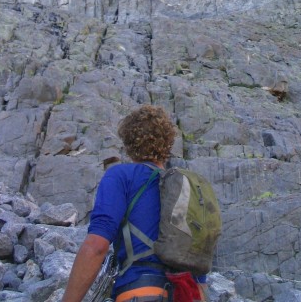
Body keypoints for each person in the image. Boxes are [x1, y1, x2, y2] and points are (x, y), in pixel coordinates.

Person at [61, 105, 207, 302]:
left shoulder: (120, 176)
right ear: (168, 143)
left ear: (128, 143)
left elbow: (97, 245)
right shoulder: (186, 188)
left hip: (139, 292)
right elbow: (199, 270)